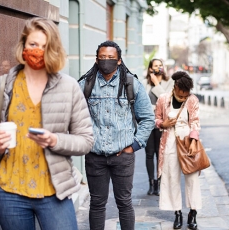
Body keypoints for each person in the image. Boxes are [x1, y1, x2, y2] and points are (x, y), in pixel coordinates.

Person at [0, 17, 94, 230]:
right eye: (33, 44)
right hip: (9, 191)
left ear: (54, 50)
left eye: (45, 46)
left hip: (54, 191)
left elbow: (86, 140)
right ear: (23, 45)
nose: (38, 51)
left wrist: (55, 139)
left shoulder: (68, 87)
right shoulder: (0, 87)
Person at [78, 41, 155, 230]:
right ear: (96, 60)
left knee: (124, 202)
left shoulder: (131, 84)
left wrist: (134, 146)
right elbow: (73, 116)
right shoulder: (85, 84)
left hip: (124, 156)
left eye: (111, 58)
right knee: (97, 204)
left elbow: (147, 119)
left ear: (119, 60)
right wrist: (83, 141)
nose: (106, 61)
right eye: (102, 57)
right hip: (95, 156)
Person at [155, 71, 202, 229]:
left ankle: (193, 213)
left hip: (188, 141)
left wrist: (194, 141)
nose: (183, 98)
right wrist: (163, 124)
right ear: (174, 88)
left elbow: (195, 120)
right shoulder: (163, 99)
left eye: (185, 96)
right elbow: (157, 118)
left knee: (192, 178)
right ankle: (177, 213)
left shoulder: (192, 100)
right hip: (169, 141)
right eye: (180, 95)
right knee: (171, 177)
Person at [142, 58, 174, 196]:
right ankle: (151, 183)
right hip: (149, 123)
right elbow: (141, 103)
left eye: (160, 65)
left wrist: (156, 83)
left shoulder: (169, 82)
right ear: (150, 69)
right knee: (149, 154)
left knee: (160, 154)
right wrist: (154, 108)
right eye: (155, 66)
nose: (158, 68)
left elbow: (167, 100)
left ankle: (160, 183)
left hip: (163, 124)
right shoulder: (144, 84)